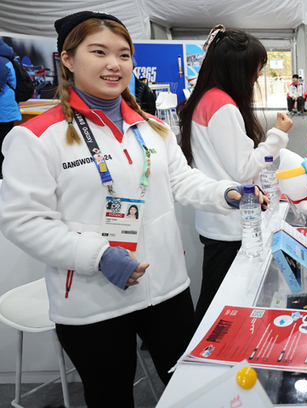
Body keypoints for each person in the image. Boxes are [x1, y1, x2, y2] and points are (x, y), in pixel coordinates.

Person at [0, 12, 265, 407]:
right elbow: (24, 220)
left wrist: (226, 193)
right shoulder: (37, 136)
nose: (114, 64)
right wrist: (98, 256)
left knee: (190, 386)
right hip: (93, 300)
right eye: (99, 52)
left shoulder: (152, 127)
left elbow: (181, 180)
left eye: (123, 54)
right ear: (67, 59)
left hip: (166, 288)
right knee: (111, 396)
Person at [178, 25, 292, 324]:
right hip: (230, 221)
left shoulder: (206, 98)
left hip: (218, 217)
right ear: (237, 69)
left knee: (218, 297)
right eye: (255, 68)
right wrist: (277, 136)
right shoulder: (222, 105)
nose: (258, 75)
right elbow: (244, 168)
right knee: (219, 302)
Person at [0, 38, 22, 178]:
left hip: (3, 113)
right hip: (6, 112)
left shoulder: (1, 62)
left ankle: (4, 176)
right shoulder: (5, 60)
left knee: (3, 147)